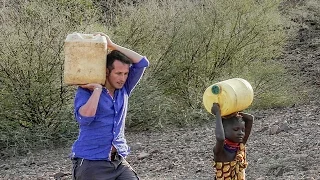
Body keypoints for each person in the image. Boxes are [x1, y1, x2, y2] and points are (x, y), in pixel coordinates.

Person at [70, 32, 149, 180]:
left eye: (126, 74)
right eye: (118, 73)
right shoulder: (86, 90)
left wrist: (112, 45)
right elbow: (85, 118)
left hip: (118, 161)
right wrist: (97, 91)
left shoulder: (124, 88)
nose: (123, 78)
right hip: (91, 163)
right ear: (106, 72)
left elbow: (142, 62)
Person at [211, 103, 254, 180]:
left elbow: (250, 119)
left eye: (243, 130)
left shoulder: (240, 145)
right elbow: (220, 138)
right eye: (235, 129)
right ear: (223, 130)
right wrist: (218, 114)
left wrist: (234, 111)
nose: (241, 133)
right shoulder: (220, 152)